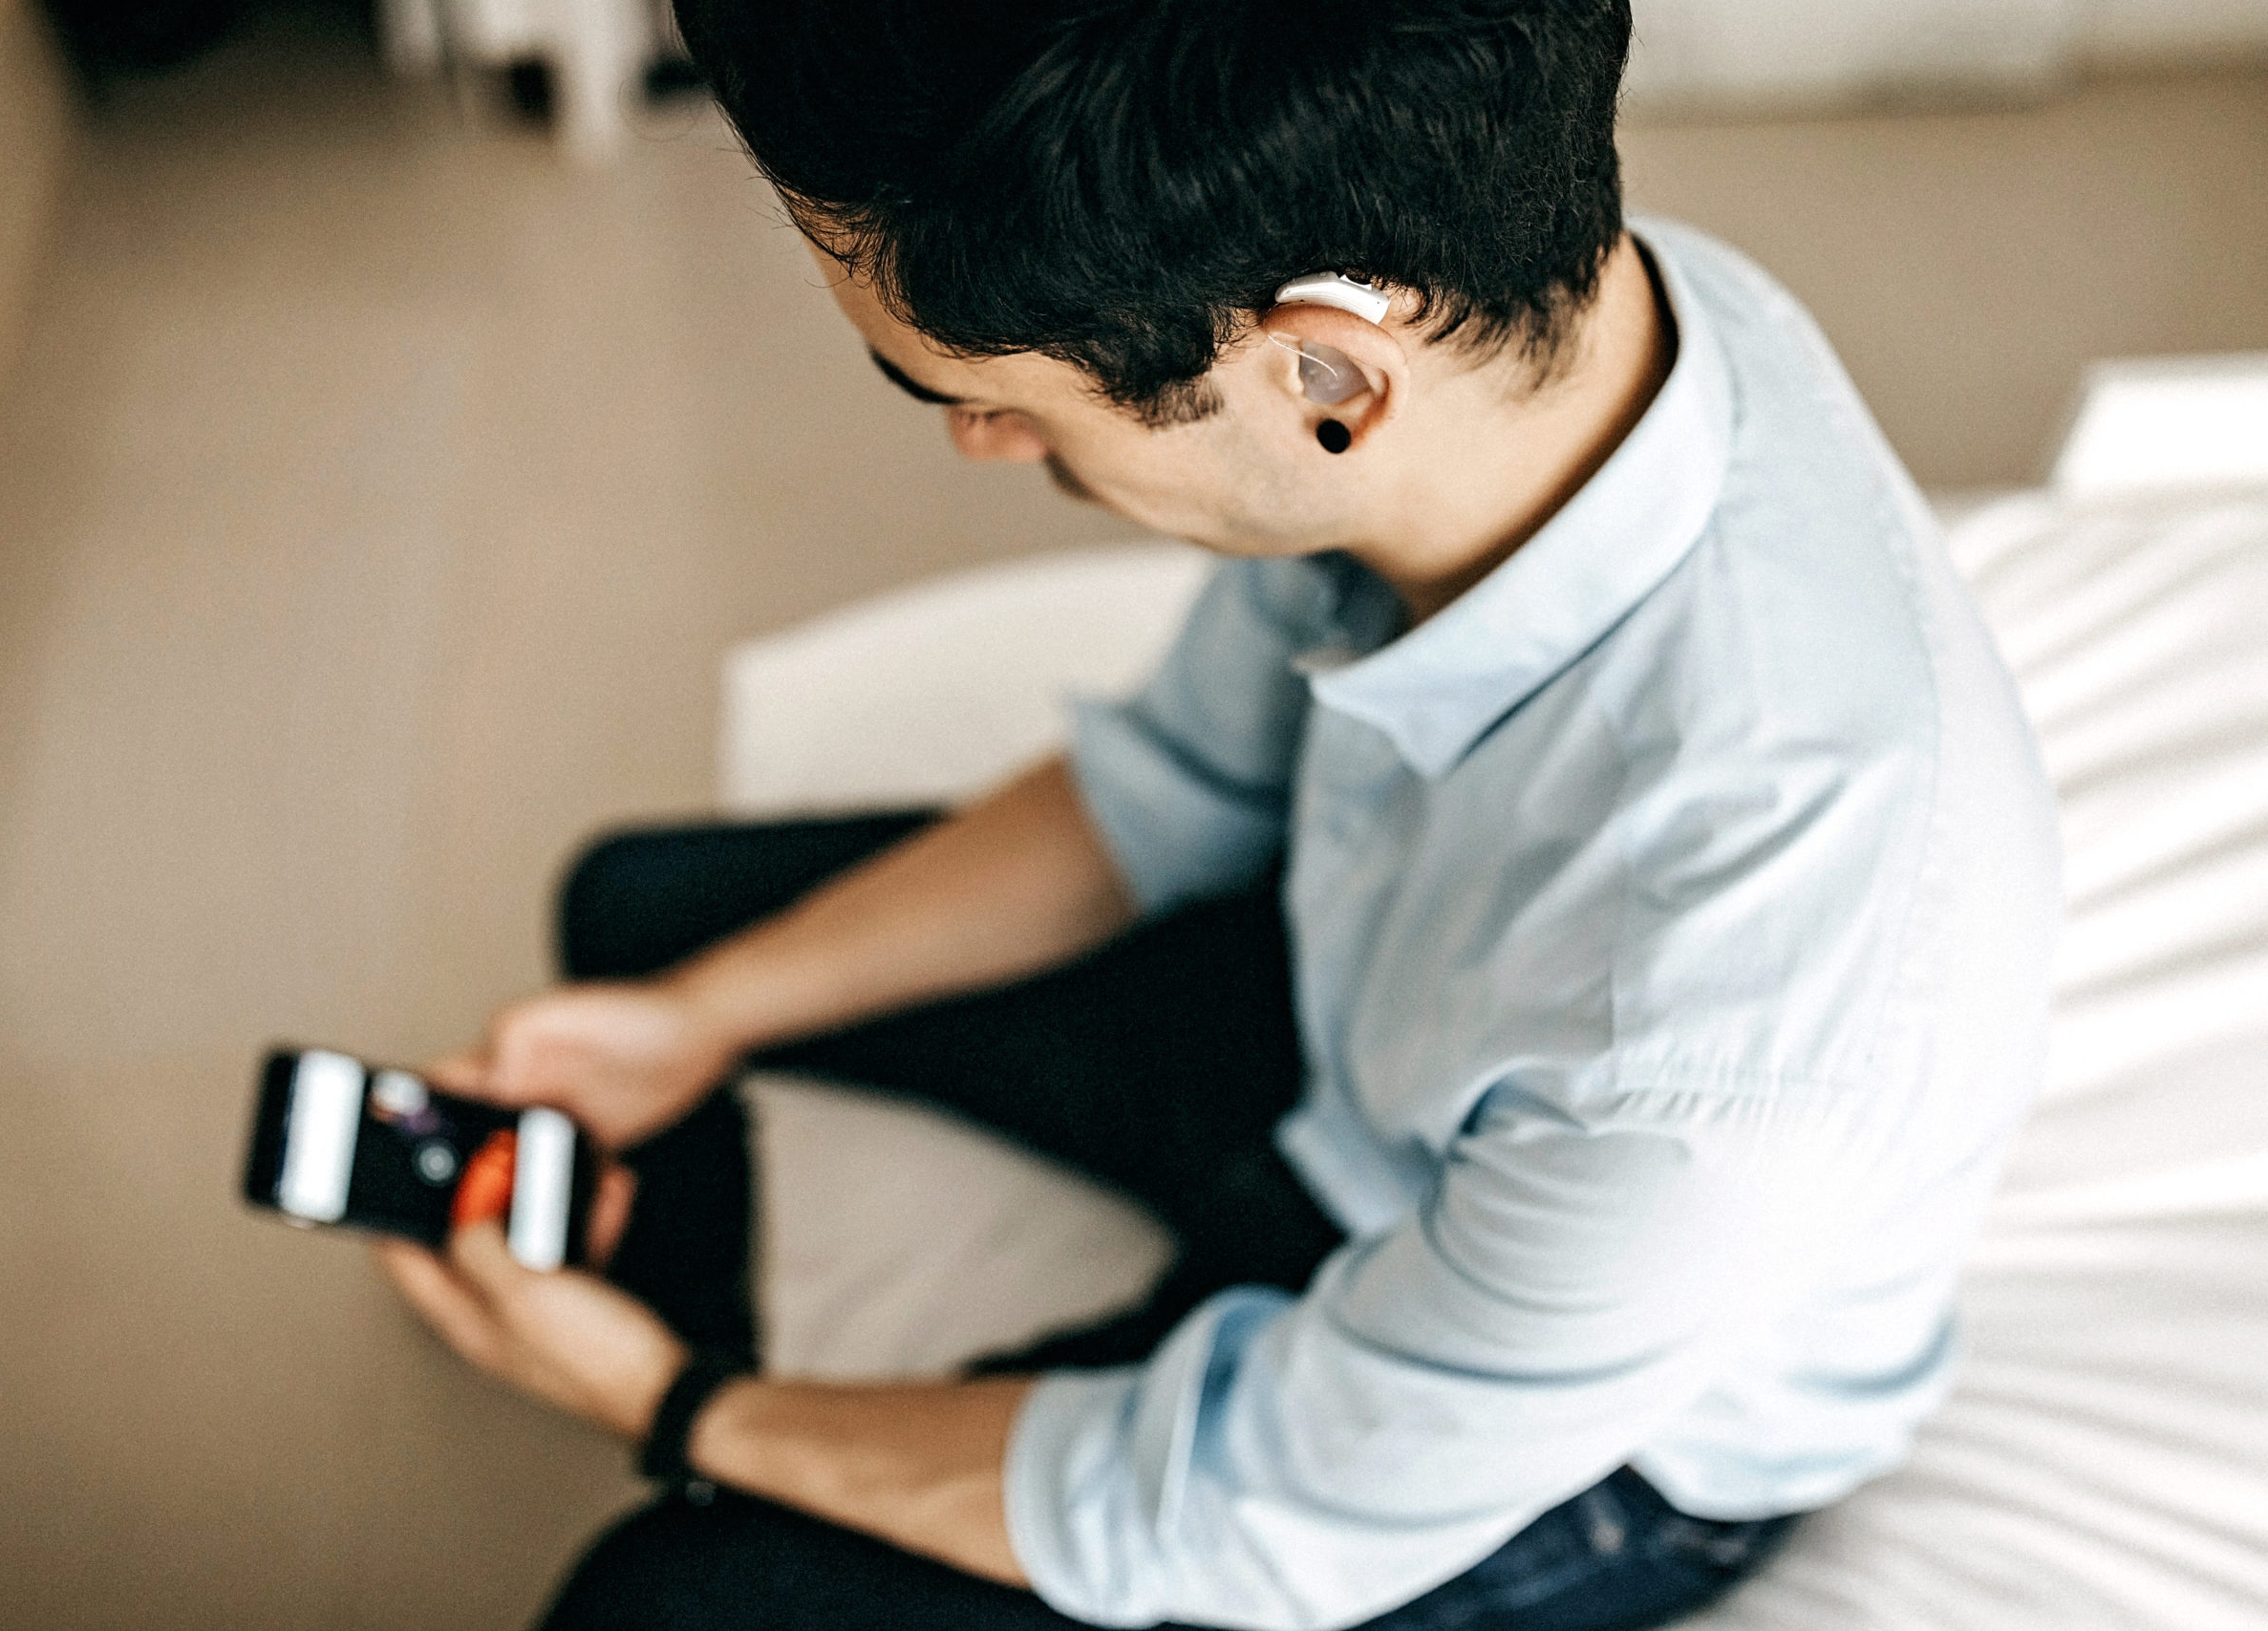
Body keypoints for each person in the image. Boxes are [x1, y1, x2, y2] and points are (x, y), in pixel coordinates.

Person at [373, 3, 2064, 1628]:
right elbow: (1175, 793)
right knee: (641, 925)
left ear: (1321, 377)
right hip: (1362, 1027)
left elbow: (1243, 1506)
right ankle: (654, 1291)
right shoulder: (1518, 330)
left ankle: (677, 1399)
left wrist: (686, 1409)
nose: (975, 441)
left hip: (1575, 1440)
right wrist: (693, 1020)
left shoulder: (1719, 1038)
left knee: (655, 1609)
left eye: (988, 393)